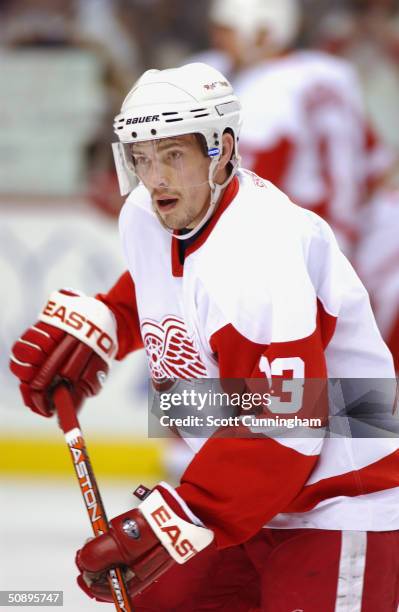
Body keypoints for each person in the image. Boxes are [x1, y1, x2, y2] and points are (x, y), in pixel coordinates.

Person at [9, 63, 399, 611]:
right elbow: (166, 281)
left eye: (173, 155)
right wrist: (107, 324)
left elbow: (290, 418)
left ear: (222, 150)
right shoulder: (148, 216)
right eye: (142, 158)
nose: (156, 178)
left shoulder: (263, 248)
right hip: (251, 491)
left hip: (336, 496)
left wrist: (187, 513)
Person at [194, 0, 394, 257]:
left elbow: (239, 196)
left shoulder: (266, 93)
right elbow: (377, 166)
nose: (218, 39)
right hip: (353, 237)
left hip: (296, 246)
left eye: (227, 30)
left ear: (264, 33)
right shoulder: (333, 73)